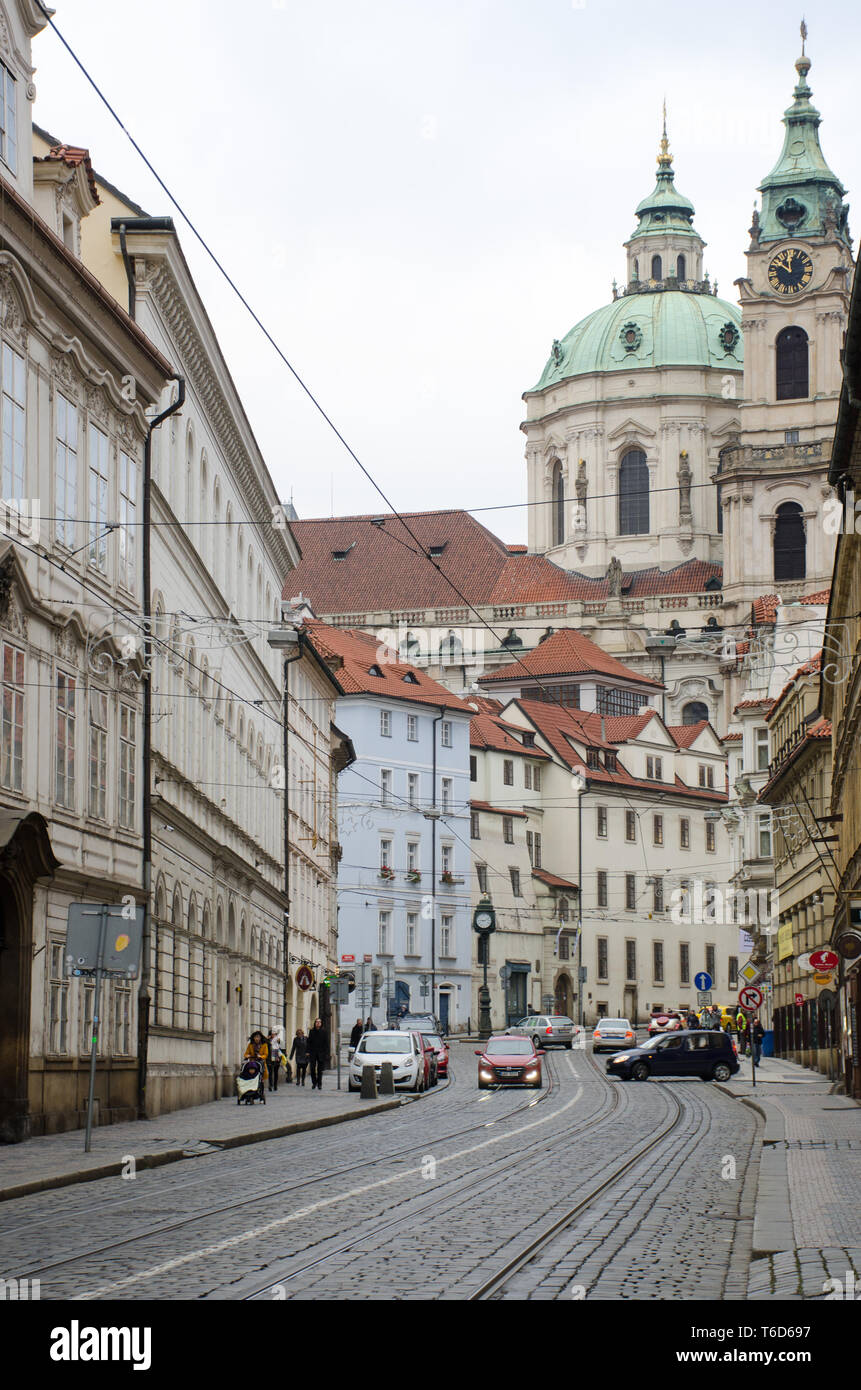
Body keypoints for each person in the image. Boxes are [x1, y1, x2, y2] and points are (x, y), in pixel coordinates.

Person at [308, 1017, 329, 1091]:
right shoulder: (311, 1031)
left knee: (320, 1070)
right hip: (313, 1053)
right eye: (317, 1022)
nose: (318, 1023)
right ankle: (314, 1083)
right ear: (315, 1023)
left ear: (321, 1023)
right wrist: (308, 1052)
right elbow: (309, 1042)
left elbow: (326, 1043)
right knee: (312, 1068)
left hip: (321, 1053)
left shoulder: (324, 1032)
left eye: (319, 1022)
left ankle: (319, 1083)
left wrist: (326, 1053)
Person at [267, 1028, 283, 1092]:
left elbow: (280, 1049)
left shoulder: (278, 1041)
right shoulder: (268, 1041)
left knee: (276, 1072)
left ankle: (275, 1085)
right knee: (270, 1072)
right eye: (272, 1034)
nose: (274, 1035)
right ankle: (270, 1085)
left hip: (276, 1058)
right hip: (269, 1058)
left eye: (275, 1034)